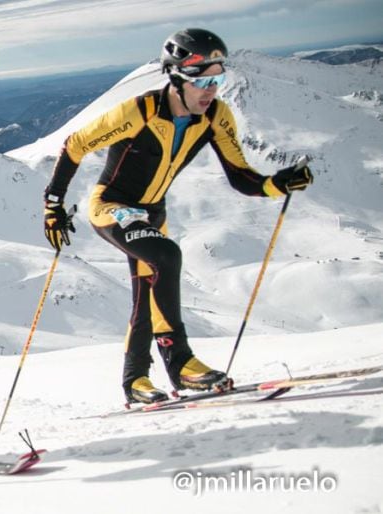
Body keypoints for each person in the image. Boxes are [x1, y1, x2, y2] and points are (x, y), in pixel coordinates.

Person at [42, 28, 313, 406]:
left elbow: (240, 177)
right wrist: (53, 205)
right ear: (176, 77)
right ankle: (181, 361)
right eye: (201, 80)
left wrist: (276, 184)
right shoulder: (140, 111)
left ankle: (135, 380)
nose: (211, 90)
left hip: (153, 213)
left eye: (218, 79)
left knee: (147, 292)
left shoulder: (216, 116)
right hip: (112, 206)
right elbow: (75, 145)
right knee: (167, 255)